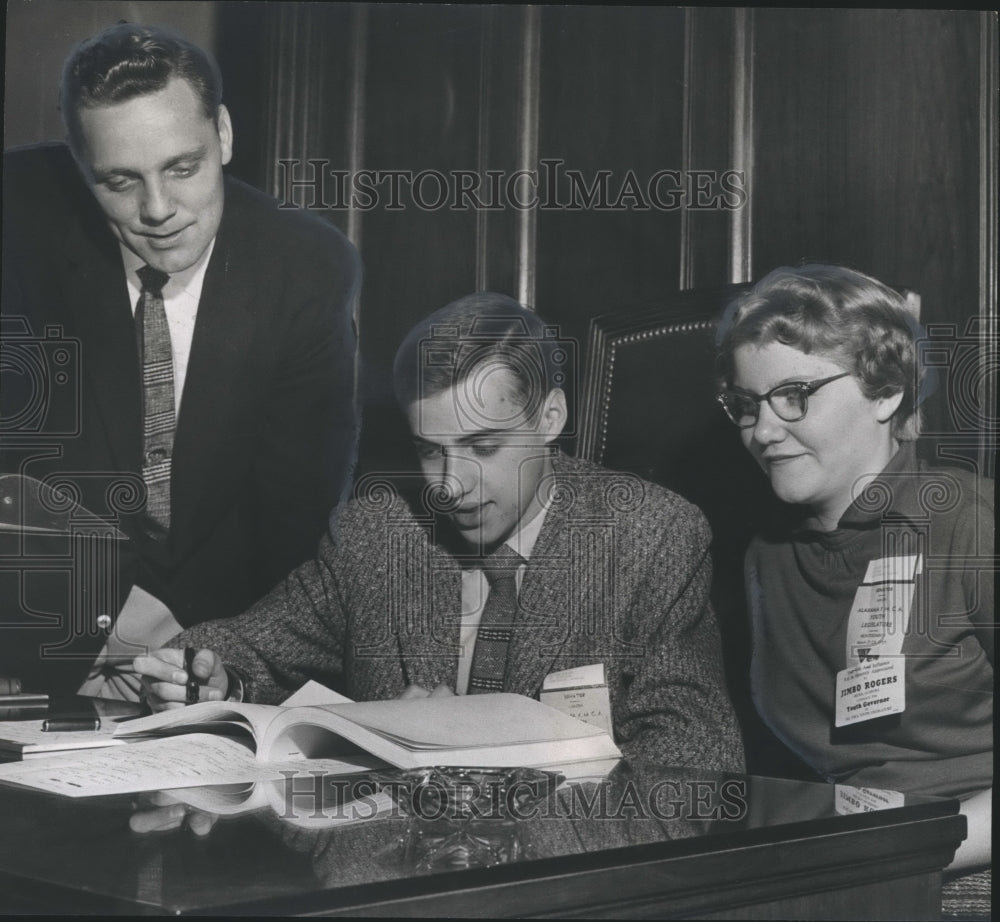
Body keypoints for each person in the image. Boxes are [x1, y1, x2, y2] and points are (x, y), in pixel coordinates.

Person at [134, 292, 745, 771]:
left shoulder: (652, 537)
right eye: (431, 450)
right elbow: (247, 645)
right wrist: (207, 673)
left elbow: (695, 769)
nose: (449, 486)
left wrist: (484, 742)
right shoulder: (378, 533)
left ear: (551, 417)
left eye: (482, 445)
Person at [0, 24, 360, 698]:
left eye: (182, 167)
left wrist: (200, 659)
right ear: (83, 169)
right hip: (33, 631)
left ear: (222, 135)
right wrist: (100, 626)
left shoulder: (306, 268)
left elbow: (292, 516)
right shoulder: (14, 226)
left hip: (214, 652)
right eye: (120, 181)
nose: (158, 211)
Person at [715, 264, 992, 873]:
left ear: (887, 392)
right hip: (841, 863)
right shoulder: (765, 553)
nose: (762, 431)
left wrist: (898, 857)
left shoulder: (970, 526)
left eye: (796, 396)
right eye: (745, 403)